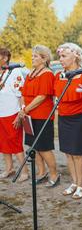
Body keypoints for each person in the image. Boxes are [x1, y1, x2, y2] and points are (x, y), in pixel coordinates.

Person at [54, 43, 82, 199]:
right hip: (64, 116)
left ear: (76, 56)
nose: (60, 59)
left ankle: (81, 185)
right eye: (60, 56)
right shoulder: (59, 76)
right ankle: (74, 182)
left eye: (64, 56)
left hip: (81, 118)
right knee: (68, 152)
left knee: (77, 153)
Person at [18, 45, 59, 187]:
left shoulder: (47, 74)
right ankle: (42, 173)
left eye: (35, 56)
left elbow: (42, 96)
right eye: (32, 56)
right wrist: (23, 108)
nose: (32, 58)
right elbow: (23, 93)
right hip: (29, 116)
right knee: (33, 146)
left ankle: (54, 174)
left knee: (44, 147)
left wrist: (25, 110)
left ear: (44, 58)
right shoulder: (31, 73)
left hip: (42, 116)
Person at [0, 48, 29, 182]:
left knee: (16, 143)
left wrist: (20, 114)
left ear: (5, 58)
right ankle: (9, 168)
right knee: (3, 143)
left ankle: (24, 172)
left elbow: (21, 94)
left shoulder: (14, 71)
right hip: (1, 113)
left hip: (12, 113)